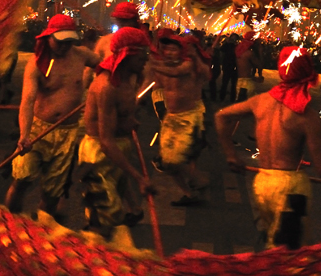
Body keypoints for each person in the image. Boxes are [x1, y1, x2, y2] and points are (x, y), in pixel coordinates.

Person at [216, 46, 321, 250]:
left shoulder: (260, 102)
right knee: (288, 254)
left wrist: (231, 155)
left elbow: (221, 116)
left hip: (262, 184)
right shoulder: (306, 116)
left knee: (272, 246)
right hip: (290, 192)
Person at [5, 14, 100, 218]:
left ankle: (43, 229)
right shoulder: (36, 64)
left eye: (69, 41)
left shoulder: (82, 55)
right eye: (60, 41)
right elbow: (27, 101)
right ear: (48, 37)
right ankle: (9, 220)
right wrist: (24, 136)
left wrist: (101, 93)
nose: (64, 46)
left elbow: (105, 67)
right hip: (37, 131)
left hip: (67, 133)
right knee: (21, 180)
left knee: (53, 192)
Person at [80, 27, 157, 239]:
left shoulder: (129, 78)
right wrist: (139, 178)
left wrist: (129, 121)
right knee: (104, 217)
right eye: (142, 55)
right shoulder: (106, 87)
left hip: (118, 150)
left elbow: (122, 116)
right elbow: (106, 141)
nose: (146, 59)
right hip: (98, 155)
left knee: (112, 215)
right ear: (127, 55)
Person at [147, 30, 211, 206]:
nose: (168, 52)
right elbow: (149, 80)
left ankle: (199, 181)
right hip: (171, 118)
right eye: (166, 49)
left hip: (189, 118)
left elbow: (175, 72)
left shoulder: (188, 65)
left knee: (180, 159)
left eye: (173, 49)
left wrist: (153, 64)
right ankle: (189, 193)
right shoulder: (162, 65)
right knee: (166, 163)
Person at [235, 31, 260, 101]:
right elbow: (259, 64)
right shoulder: (249, 53)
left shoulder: (239, 52)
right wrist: (260, 51)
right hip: (247, 83)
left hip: (239, 81)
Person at [219, 34, 239, 101]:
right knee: (225, 82)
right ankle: (222, 97)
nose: (233, 40)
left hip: (234, 66)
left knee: (233, 84)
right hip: (227, 65)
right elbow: (221, 53)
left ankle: (232, 98)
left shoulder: (237, 46)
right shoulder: (227, 45)